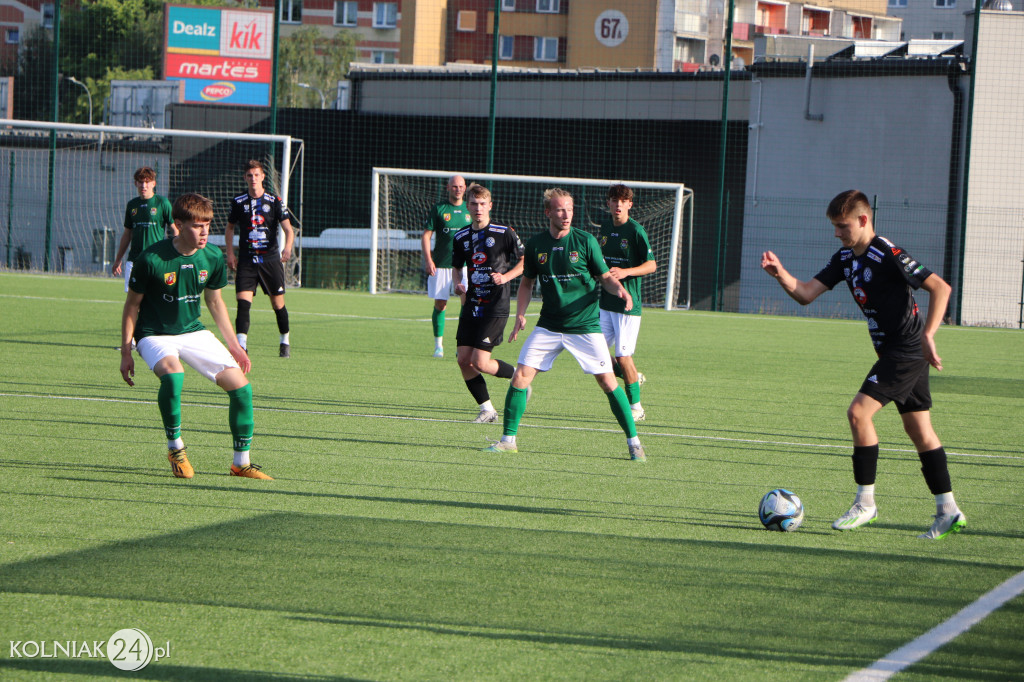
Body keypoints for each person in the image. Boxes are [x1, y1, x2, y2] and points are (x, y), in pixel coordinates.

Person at [760, 189, 964, 539]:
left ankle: (865, 502)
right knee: (920, 432)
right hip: (892, 353)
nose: (837, 233)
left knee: (858, 413)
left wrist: (930, 334)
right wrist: (781, 274)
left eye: (842, 226)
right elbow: (807, 293)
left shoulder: (887, 252)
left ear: (863, 220)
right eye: (835, 227)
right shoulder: (844, 258)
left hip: (907, 350)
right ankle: (948, 510)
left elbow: (940, 288)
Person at [484, 188, 646, 461]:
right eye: (560, 210)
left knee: (607, 381)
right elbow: (526, 282)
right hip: (549, 325)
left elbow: (604, 277)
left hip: (584, 326)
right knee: (521, 376)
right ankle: (508, 440)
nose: (566, 214)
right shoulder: (537, 245)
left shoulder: (585, 241)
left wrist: (619, 288)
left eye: (569, 209)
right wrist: (520, 314)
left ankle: (634, 443)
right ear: (548, 212)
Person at [120, 193, 272, 480]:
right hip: (154, 335)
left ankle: (241, 463)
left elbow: (215, 303)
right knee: (174, 375)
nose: (204, 232)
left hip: (193, 331)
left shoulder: (212, 256)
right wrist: (126, 351)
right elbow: (132, 305)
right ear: (177, 225)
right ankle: (175, 449)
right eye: (196, 226)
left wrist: (235, 346)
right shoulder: (151, 258)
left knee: (242, 389)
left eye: (208, 225)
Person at [451, 184, 525, 423]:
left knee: (480, 362)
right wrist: (458, 284)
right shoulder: (461, 236)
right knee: (463, 359)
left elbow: (525, 261)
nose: (478, 208)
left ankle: (519, 377)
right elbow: (456, 269)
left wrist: (505, 277)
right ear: (467, 206)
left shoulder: (504, 232)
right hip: (472, 304)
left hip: (496, 305)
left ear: (490, 206)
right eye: (473, 204)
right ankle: (487, 409)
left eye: (483, 204)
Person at [225, 160, 296, 358]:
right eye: (249, 175)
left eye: (256, 175)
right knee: (243, 303)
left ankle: (284, 341)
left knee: (278, 304)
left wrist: (287, 248)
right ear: (245, 178)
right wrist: (230, 253)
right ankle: (241, 346)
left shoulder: (274, 201)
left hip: (270, 260)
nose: (253, 179)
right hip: (247, 260)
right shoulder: (238, 202)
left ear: (263, 177)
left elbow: (288, 230)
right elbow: (230, 228)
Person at [598, 184, 657, 422]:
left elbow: (651, 265)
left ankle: (637, 408)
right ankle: (632, 376)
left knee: (623, 356)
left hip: (627, 306)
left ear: (630, 204)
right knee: (596, 353)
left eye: (623, 201)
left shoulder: (635, 231)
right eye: (615, 200)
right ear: (609, 203)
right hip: (605, 303)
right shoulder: (604, 227)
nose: (619, 205)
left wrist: (626, 272)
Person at [421, 174, 472, 358]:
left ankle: (462, 347)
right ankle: (438, 346)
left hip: (466, 266)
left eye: (460, 186)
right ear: (448, 187)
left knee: (466, 305)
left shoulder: (471, 209)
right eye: (454, 186)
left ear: (465, 188)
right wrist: (429, 260)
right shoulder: (439, 209)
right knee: (441, 305)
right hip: (442, 265)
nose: (457, 189)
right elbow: (426, 236)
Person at [111, 166, 176, 291]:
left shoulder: (162, 203)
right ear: (136, 183)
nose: (144, 186)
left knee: (155, 298)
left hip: (157, 259)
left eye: (147, 182)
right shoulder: (132, 205)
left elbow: (174, 229)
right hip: (135, 259)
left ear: (153, 183)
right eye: (141, 182)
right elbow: (127, 234)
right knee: (133, 301)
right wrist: (118, 259)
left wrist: (174, 253)